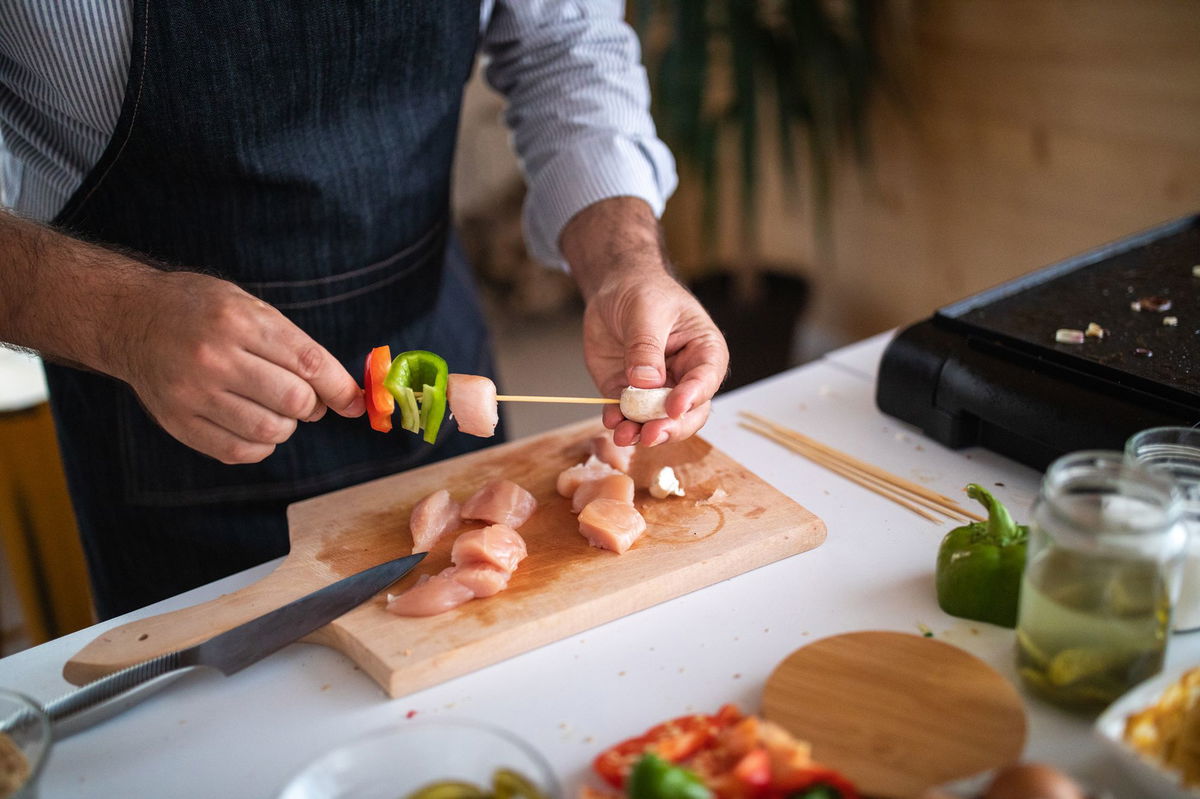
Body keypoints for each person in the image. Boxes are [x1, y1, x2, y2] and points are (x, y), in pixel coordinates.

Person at [0, 2, 729, 619]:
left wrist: (624, 261)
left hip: (428, 336)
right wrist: (121, 317)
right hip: (155, 429)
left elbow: (567, 50)